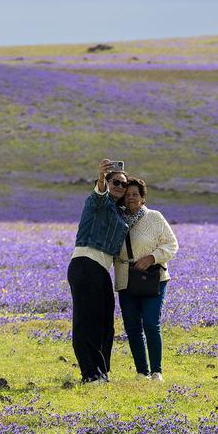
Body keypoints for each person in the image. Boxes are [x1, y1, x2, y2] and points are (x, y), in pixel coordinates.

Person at [67, 159, 129, 383]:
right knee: (86, 321)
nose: (119, 187)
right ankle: (90, 373)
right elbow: (99, 193)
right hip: (85, 263)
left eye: (123, 184)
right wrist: (102, 177)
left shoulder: (118, 213)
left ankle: (101, 372)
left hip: (101, 269)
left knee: (105, 323)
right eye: (116, 182)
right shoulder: (97, 202)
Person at [115, 178, 179, 381]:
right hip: (126, 279)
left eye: (135, 194)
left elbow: (172, 245)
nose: (131, 198)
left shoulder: (155, 217)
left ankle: (156, 372)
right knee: (132, 327)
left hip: (153, 278)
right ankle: (142, 372)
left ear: (143, 198)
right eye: (127, 195)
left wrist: (152, 258)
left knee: (151, 323)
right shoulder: (117, 219)